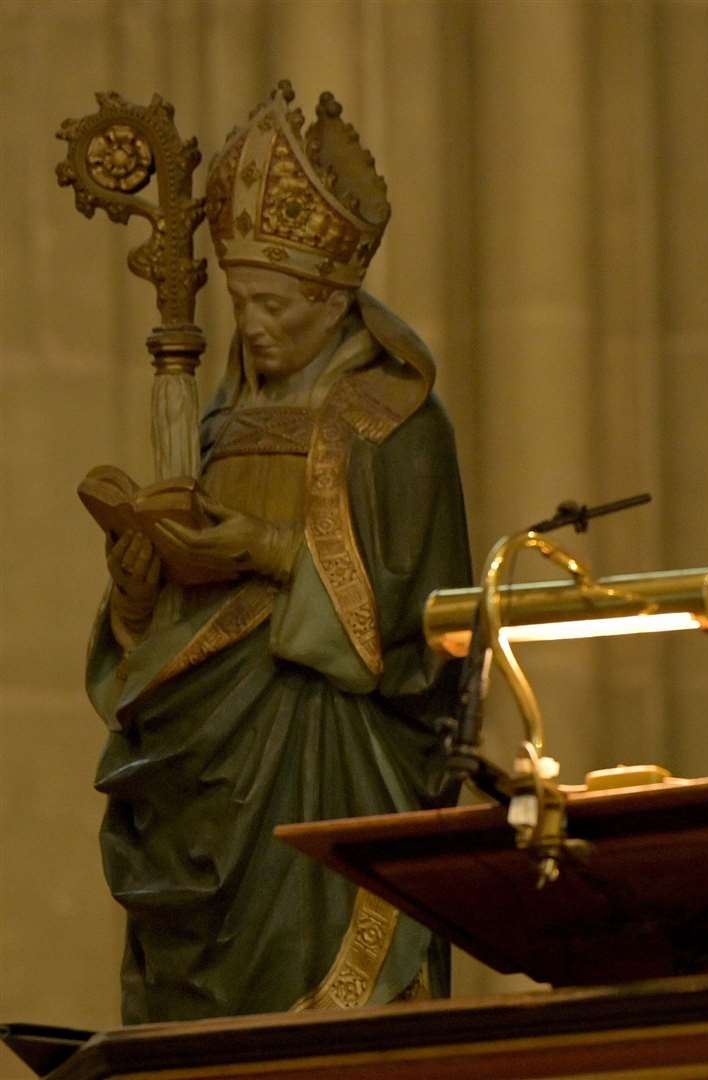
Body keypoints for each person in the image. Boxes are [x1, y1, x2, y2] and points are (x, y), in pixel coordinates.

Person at [85, 83, 471, 1022]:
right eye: (242, 302)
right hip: (207, 769)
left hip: (334, 753)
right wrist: (137, 598)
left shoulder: (396, 428)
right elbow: (175, 621)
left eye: (270, 305)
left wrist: (267, 549)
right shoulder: (219, 423)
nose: (251, 327)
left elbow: (429, 636)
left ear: (332, 296)